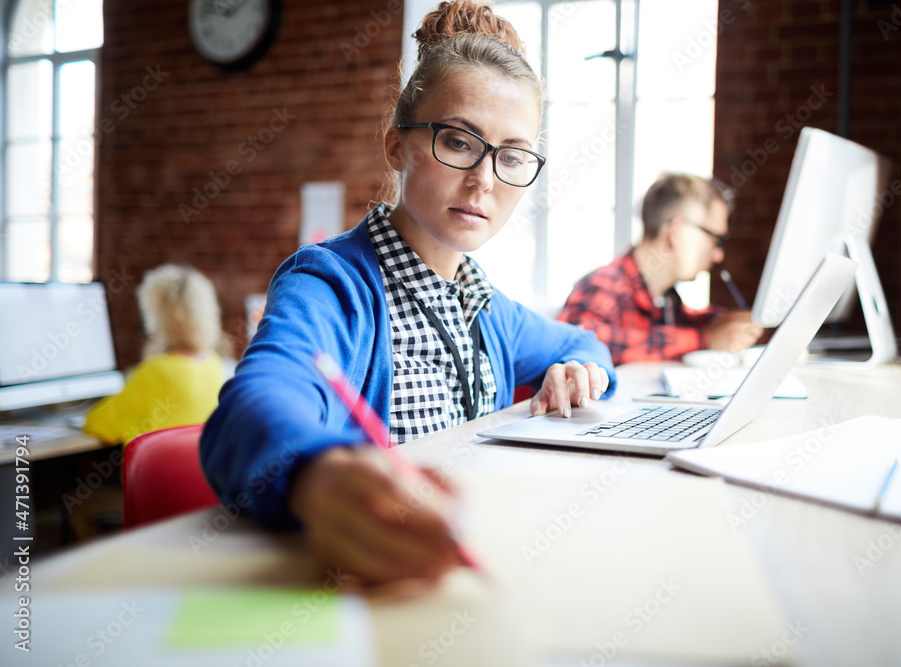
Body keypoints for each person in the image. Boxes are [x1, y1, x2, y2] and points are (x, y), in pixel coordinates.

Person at [200, 0, 616, 585]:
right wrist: (315, 475)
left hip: (473, 553)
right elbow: (255, 401)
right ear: (399, 148)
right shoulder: (328, 285)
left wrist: (580, 368)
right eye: (459, 142)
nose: (484, 180)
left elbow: (585, 342)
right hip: (367, 581)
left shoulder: (486, 306)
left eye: (513, 155)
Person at [559, 173, 762, 365]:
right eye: (716, 240)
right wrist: (703, 339)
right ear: (677, 231)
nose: (719, 255)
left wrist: (725, 324)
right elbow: (572, 345)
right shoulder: (605, 285)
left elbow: (680, 325)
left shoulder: (666, 300)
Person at [83, 264, 226, 445]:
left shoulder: (155, 371)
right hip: (197, 473)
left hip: (156, 474)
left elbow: (96, 424)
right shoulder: (214, 364)